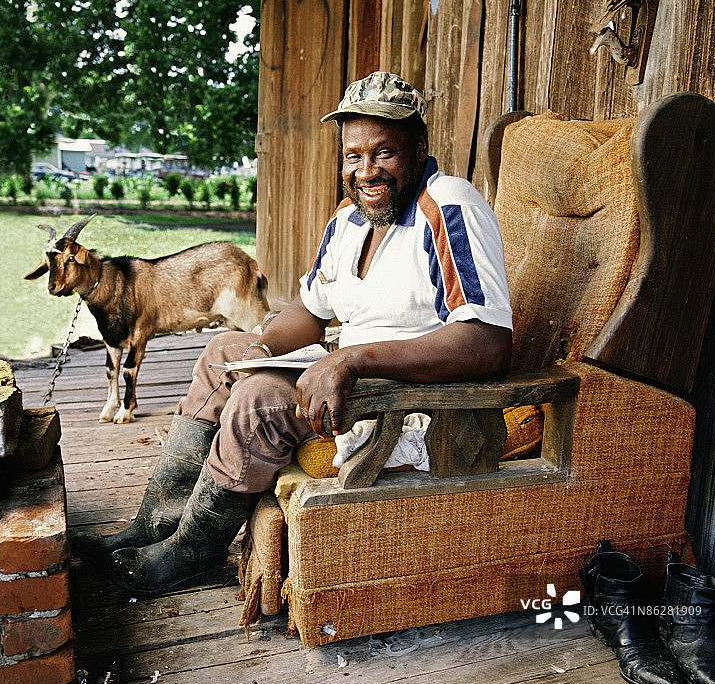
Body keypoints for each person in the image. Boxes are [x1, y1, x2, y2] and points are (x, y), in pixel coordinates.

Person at [72, 71, 513, 595]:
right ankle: (157, 524)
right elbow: (307, 310)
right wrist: (260, 346)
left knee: (259, 399)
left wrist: (351, 361)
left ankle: (193, 552)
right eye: (353, 156)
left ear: (418, 148)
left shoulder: (449, 205)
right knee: (222, 355)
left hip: (415, 402)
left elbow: (487, 342)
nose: (366, 171)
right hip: (354, 375)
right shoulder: (350, 219)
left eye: (384, 153)